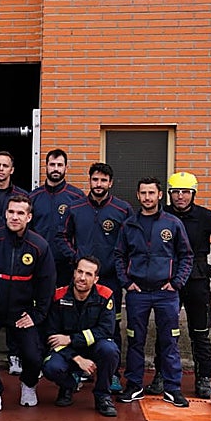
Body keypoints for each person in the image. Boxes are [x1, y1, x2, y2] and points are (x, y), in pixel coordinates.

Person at [115, 177, 194, 407]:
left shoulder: (172, 223)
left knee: (169, 341)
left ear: (160, 195)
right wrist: (126, 282)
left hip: (166, 293)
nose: (147, 197)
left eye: (152, 193)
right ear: (138, 196)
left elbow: (186, 256)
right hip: (137, 293)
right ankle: (134, 386)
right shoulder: (129, 225)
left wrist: (177, 282)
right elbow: (119, 255)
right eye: (143, 193)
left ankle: (172, 389)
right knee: (135, 341)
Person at [163, 171, 211, 398]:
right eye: (175, 192)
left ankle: (204, 380)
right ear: (169, 194)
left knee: (200, 333)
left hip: (197, 281)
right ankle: (162, 376)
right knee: (166, 331)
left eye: (185, 192)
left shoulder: (206, 217)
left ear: (193, 194)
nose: (180, 197)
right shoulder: (163, 215)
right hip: (170, 281)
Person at [0, 193, 55, 408]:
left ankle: (28, 385)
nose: (15, 217)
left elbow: (46, 285)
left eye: (21, 213)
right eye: (11, 212)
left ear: (29, 217)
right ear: (5, 214)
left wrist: (36, 315)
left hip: (23, 313)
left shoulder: (39, 246)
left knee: (33, 356)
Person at [59, 162, 133, 391]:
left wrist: (120, 270)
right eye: (95, 180)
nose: (98, 184)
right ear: (89, 181)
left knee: (112, 326)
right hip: (81, 277)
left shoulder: (122, 210)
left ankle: (111, 374)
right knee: (76, 322)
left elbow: (131, 243)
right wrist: (76, 260)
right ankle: (79, 369)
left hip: (109, 279)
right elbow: (61, 237)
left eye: (103, 180)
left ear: (110, 183)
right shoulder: (76, 207)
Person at [42, 255, 120, 417]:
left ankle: (102, 396)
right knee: (51, 367)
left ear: (96, 279)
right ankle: (68, 386)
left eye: (88, 274)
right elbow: (51, 335)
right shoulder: (59, 296)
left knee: (110, 350)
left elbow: (106, 330)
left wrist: (72, 338)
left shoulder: (105, 296)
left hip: (93, 347)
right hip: (67, 351)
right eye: (79, 272)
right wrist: (77, 358)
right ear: (74, 273)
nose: (82, 278)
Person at [30, 148, 86, 287]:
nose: (56, 169)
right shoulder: (33, 197)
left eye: (60, 165)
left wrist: (75, 257)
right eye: (52, 164)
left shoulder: (77, 197)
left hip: (67, 265)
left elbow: (82, 231)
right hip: (39, 262)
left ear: (66, 168)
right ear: (46, 166)